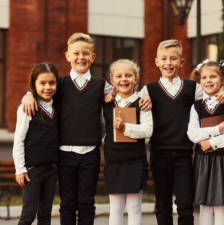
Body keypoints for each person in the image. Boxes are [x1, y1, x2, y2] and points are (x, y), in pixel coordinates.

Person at [21, 33, 152, 225]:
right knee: (67, 203)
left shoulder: (101, 85)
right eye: (76, 53)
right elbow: (43, 91)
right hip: (64, 154)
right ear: (68, 56)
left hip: (90, 153)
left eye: (85, 53)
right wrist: (28, 95)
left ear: (93, 57)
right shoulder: (61, 84)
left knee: (86, 203)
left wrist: (146, 93)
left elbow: (125, 89)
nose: (81, 57)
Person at [105, 39, 224, 225]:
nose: (168, 63)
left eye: (173, 58)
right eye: (164, 58)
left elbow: (213, 91)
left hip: (184, 154)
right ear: (157, 62)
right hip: (159, 153)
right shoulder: (149, 90)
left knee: (185, 204)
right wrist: (114, 94)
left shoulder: (192, 88)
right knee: (162, 204)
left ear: (181, 62)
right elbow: (128, 96)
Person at [187, 58, 224, 225]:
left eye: (213, 77)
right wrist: (216, 130)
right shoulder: (196, 107)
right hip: (202, 160)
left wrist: (211, 143)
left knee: (220, 206)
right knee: (204, 206)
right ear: (199, 81)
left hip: (223, 160)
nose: (208, 81)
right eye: (204, 78)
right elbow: (192, 133)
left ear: (222, 80)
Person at [102, 59, 153, 225]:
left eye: (128, 75)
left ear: (136, 79)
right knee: (116, 208)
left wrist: (126, 128)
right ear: (112, 80)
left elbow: (147, 130)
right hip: (113, 160)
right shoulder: (106, 103)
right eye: (119, 76)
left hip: (135, 161)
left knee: (134, 207)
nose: (124, 79)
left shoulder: (143, 102)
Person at [13, 62, 60, 225]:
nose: (48, 87)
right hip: (32, 171)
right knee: (28, 214)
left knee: (45, 213)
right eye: (42, 83)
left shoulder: (57, 106)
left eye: (52, 83)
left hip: (52, 168)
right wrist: (20, 169)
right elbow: (18, 140)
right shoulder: (27, 107)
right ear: (34, 84)